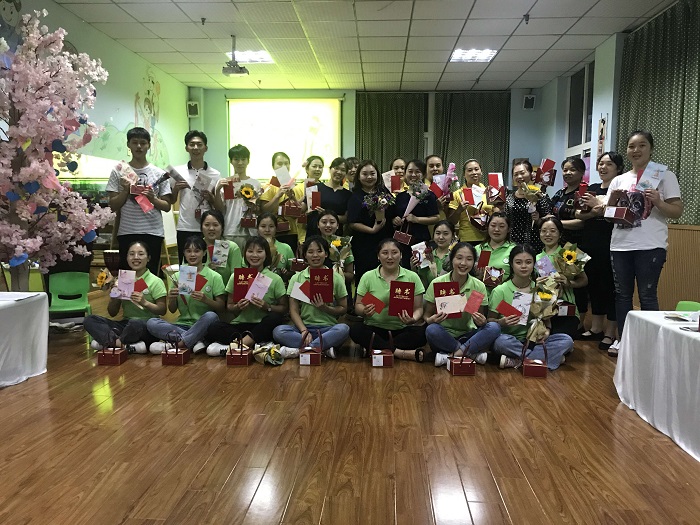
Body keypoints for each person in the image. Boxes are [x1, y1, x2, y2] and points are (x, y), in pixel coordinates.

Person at [605, 130, 683, 354]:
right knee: (622, 295)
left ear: (651, 148)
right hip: (620, 245)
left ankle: (650, 345)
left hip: (650, 246)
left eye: (642, 145)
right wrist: (612, 201)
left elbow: (677, 211)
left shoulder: (663, 175)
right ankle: (623, 340)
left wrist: (658, 201)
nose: (636, 150)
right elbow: (609, 216)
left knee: (647, 295)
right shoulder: (619, 179)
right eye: (631, 146)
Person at [489, 244, 573, 370]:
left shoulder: (541, 288)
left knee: (567, 340)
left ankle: (518, 360)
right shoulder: (500, 291)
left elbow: (547, 320)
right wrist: (501, 322)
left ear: (534, 264)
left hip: (535, 341)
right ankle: (544, 358)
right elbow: (490, 321)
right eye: (518, 262)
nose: (523, 266)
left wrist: (547, 331)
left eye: (528, 262)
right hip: (510, 340)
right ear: (511, 264)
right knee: (500, 342)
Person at [106, 127, 172, 274]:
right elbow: (113, 205)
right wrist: (125, 191)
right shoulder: (119, 171)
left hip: (153, 231)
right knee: (127, 276)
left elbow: (167, 206)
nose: (139, 146)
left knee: (151, 275)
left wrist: (152, 198)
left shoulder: (159, 173)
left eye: (143, 143)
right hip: (127, 231)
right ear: (128, 144)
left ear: (149, 145)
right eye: (135, 142)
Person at [206, 236, 288, 356]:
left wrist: (267, 307)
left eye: (259, 251)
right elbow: (229, 306)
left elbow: (284, 308)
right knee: (214, 327)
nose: (254, 255)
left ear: (266, 254)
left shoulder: (275, 278)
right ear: (245, 254)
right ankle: (253, 345)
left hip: (262, 325)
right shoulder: (236, 276)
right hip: (240, 325)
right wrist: (238, 306)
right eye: (250, 251)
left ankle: (237, 346)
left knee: (274, 318)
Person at [424, 242, 501, 367]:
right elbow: (426, 315)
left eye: (469, 259)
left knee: (494, 327)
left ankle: (452, 355)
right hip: (444, 335)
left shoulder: (478, 286)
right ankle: (471, 354)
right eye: (459, 258)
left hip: (469, 335)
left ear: (474, 262)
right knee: (431, 330)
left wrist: (481, 322)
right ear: (452, 259)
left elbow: (479, 319)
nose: (463, 263)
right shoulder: (437, 283)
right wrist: (430, 320)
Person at [273, 236, 350, 359]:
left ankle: (302, 350)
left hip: (328, 329)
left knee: (344, 329)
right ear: (305, 255)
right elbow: (293, 310)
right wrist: (304, 331)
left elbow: (343, 308)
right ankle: (321, 348)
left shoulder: (335, 278)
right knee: (278, 331)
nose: (315, 255)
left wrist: (325, 308)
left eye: (319, 251)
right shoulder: (297, 278)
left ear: (326, 254)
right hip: (303, 328)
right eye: (310, 252)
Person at [576, 152, 623, 351]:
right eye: (601, 164)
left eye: (609, 164)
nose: (603, 167)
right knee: (593, 285)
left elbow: (620, 214)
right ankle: (596, 328)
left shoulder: (620, 190)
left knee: (609, 287)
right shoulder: (592, 188)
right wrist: (591, 212)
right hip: (589, 243)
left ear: (618, 168)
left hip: (611, 244)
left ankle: (610, 332)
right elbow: (579, 214)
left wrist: (600, 208)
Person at [351, 238, 427, 361]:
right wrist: (364, 311)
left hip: (401, 329)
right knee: (356, 330)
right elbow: (358, 306)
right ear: (378, 256)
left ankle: (375, 348)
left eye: (394, 252)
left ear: (401, 255)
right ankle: (399, 352)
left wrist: (413, 319)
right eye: (385, 253)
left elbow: (418, 308)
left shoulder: (412, 277)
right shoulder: (368, 276)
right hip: (374, 327)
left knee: (422, 334)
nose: (390, 257)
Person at [146, 236, 226, 354]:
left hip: (203, 325)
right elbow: (172, 310)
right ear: (184, 253)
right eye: (188, 251)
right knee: (152, 322)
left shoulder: (214, 276)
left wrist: (206, 300)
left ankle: (178, 344)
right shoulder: (177, 276)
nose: (192, 254)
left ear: (204, 253)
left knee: (211, 316)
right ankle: (194, 340)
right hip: (181, 325)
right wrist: (172, 298)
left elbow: (221, 307)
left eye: (197, 251)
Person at [85, 241, 166, 354]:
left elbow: (162, 310)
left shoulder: (155, 281)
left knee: (135, 323)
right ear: (127, 258)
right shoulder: (123, 279)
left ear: (148, 258)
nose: (136, 257)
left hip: (146, 326)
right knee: (90, 320)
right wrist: (114, 298)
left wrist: (145, 302)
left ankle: (110, 342)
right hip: (125, 324)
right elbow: (112, 313)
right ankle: (124, 345)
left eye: (141, 254)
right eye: (131, 254)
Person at [170, 130, 221, 264]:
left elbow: (218, 206)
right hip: (185, 227)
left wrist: (211, 198)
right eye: (192, 144)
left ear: (206, 148)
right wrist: (175, 189)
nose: (196, 148)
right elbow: (171, 200)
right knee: (187, 268)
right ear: (186, 148)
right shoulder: (177, 171)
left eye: (199, 144)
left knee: (211, 265)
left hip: (208, 228)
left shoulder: (215, 174)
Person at [536, 217, 588, 339]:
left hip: (566, 309)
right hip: (543, 309)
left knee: (562, 339)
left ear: (560, 234)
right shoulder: (536, 257)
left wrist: (569, 283)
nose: (548, 234)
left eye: (553, 231)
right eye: (544, 231)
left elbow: (584, 280)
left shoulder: (570, 253)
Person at [347, 160, 396, 286]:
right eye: (365, 174)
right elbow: (352, 222)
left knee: (386, 273)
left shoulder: (384, 192)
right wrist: (372, 230)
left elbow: (393, 212)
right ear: (358, 176)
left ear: (377, 175)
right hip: (364, 243)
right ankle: (364, 298)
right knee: (365, 275)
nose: (369, 177)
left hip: (385, 240)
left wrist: (395, 219)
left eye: (372, 173)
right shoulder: (355, 196)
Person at [392, 159, 439, 267]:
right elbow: (394, 216)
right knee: (402, 268)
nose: (413, 175)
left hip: (420, 240)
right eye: (410, 171)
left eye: (417, 172)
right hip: (401, 240)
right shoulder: (400, 196)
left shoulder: (428, 195)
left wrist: (416, 219)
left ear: (423, 174)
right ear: (405, 173)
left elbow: (436, 218)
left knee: (421, 268)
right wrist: (395, 220)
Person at [214, 144, 263, 250]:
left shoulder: (255, 183)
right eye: (236, 159)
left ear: (248, 161)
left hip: (250, 231)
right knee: (224, 260)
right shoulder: (225, 182)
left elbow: (259, 209)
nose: (240, 163)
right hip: (228, 230)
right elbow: (219, 209)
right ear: (231, 161)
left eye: (243, 159)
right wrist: (217, 190)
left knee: (250, 259)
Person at [259, 151, 306, 250]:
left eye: (286, 163)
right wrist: (277, 195)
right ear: (273, 166)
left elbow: (300, 212)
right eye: (280, 164)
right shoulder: (268, 187)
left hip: (292, 233)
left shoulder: (296, 188)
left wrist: (294, 198)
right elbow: (264, 210)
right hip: (272, 232)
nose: (283, 166)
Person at [505, 159, 552, 254]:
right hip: (512, 243)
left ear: (531, 174)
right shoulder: (509, 197)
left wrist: (538, 220)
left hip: (535, 243)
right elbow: (506, 219)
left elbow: (549, 220)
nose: (519, 176)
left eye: (522, 173)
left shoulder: (540, 195)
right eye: (515, 174)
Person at [305, 157, 352, 238]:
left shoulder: (348, 194)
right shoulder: (315, 187)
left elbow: (346, 218)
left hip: (335, 235)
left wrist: (327, 214)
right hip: (314, 233)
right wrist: (292, 197)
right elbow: (302, 208)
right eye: (336, 168)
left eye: (343, 170)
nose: (339, 172)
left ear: (346, 173)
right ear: (330, 169)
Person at [448, 159, 488, 245]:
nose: (474, 173)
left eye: (476, 169)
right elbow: (451, 222)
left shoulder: (489, 192)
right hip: (466, 239)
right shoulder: (457, 194)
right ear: (464, 174)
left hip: (488, 238)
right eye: (470, 170)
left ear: (481, 172)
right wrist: (459, 210)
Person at [201, 209, 243, 286]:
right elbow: (188, 276)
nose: (211, 228)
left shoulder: (232, 247)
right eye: (207, 225)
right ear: (201, 228)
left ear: (222, 227)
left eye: (215, 225)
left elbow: (237, 277)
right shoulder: (194, 247)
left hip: (226, 290)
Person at [475, 212, 516, 291]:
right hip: (481, 293)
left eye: (502, 226)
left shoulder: (514, 250)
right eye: (493, 225)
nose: (496, 229)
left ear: (508, 229)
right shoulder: (478, 249)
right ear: (487, 227)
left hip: (505, 294)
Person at [410, 220, 455, 288]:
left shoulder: (455, 257)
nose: (441, 237)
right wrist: (414, 270)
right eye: (438, 233)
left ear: (453, 236)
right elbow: (423, 285)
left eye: (445, 234)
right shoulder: (426, 256)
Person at [318, 210, 354, 286]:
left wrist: (337, 273)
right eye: (324, 222)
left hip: (339, 287)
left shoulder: (344, 244)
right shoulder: (312, 243)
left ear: (337, 225)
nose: (328, 225)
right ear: (318, 225)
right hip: (317, 285)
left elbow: (350, 275)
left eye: (332, 222)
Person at [257, 212, 294, 277]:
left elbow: (293, 271)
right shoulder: (252, 248)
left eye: (271, 226)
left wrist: (286, 274)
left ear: (276, 228)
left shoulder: (286, 248)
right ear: (257, 228)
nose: (267, 230)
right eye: (263, 226)